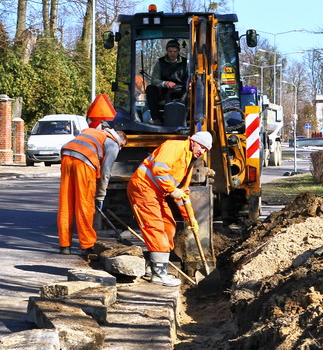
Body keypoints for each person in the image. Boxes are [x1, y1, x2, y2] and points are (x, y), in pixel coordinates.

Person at [127, 131, 213, 286]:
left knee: (169, 226)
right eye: (201, 147)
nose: (202, 151)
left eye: (206, 150)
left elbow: (183, 194)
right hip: (143, 188)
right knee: (155, 228)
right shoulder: (175, 146)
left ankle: (152, 266)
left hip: (158, 193)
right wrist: (173, 190)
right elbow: (158, 170)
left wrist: (190, 217)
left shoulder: (189, 161)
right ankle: (159, 275)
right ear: (193, 141)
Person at [57, 127, 128, 255]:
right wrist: (100, 196)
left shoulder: (96, 133)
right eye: (122, 146)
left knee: (66, 203)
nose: (120, 149)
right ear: (120, 140)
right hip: (84, 162)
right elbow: (106, 173)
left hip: (67, 157)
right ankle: (87, 245)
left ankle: (64, 245)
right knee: (84, 205)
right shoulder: (113, 143)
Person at [146, 39, 188, 125]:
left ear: (178, 51)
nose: (172, 53)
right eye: (170, 51)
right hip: (164, 91)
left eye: (174, 51)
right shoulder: (160, 63)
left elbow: (190, 77)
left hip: (182, 90)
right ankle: (156, 119)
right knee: (150, 89)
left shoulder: (185, 63)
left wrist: (190, 84)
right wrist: (165, 83)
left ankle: (188, 119)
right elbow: (154, 80)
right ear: (167, 51)